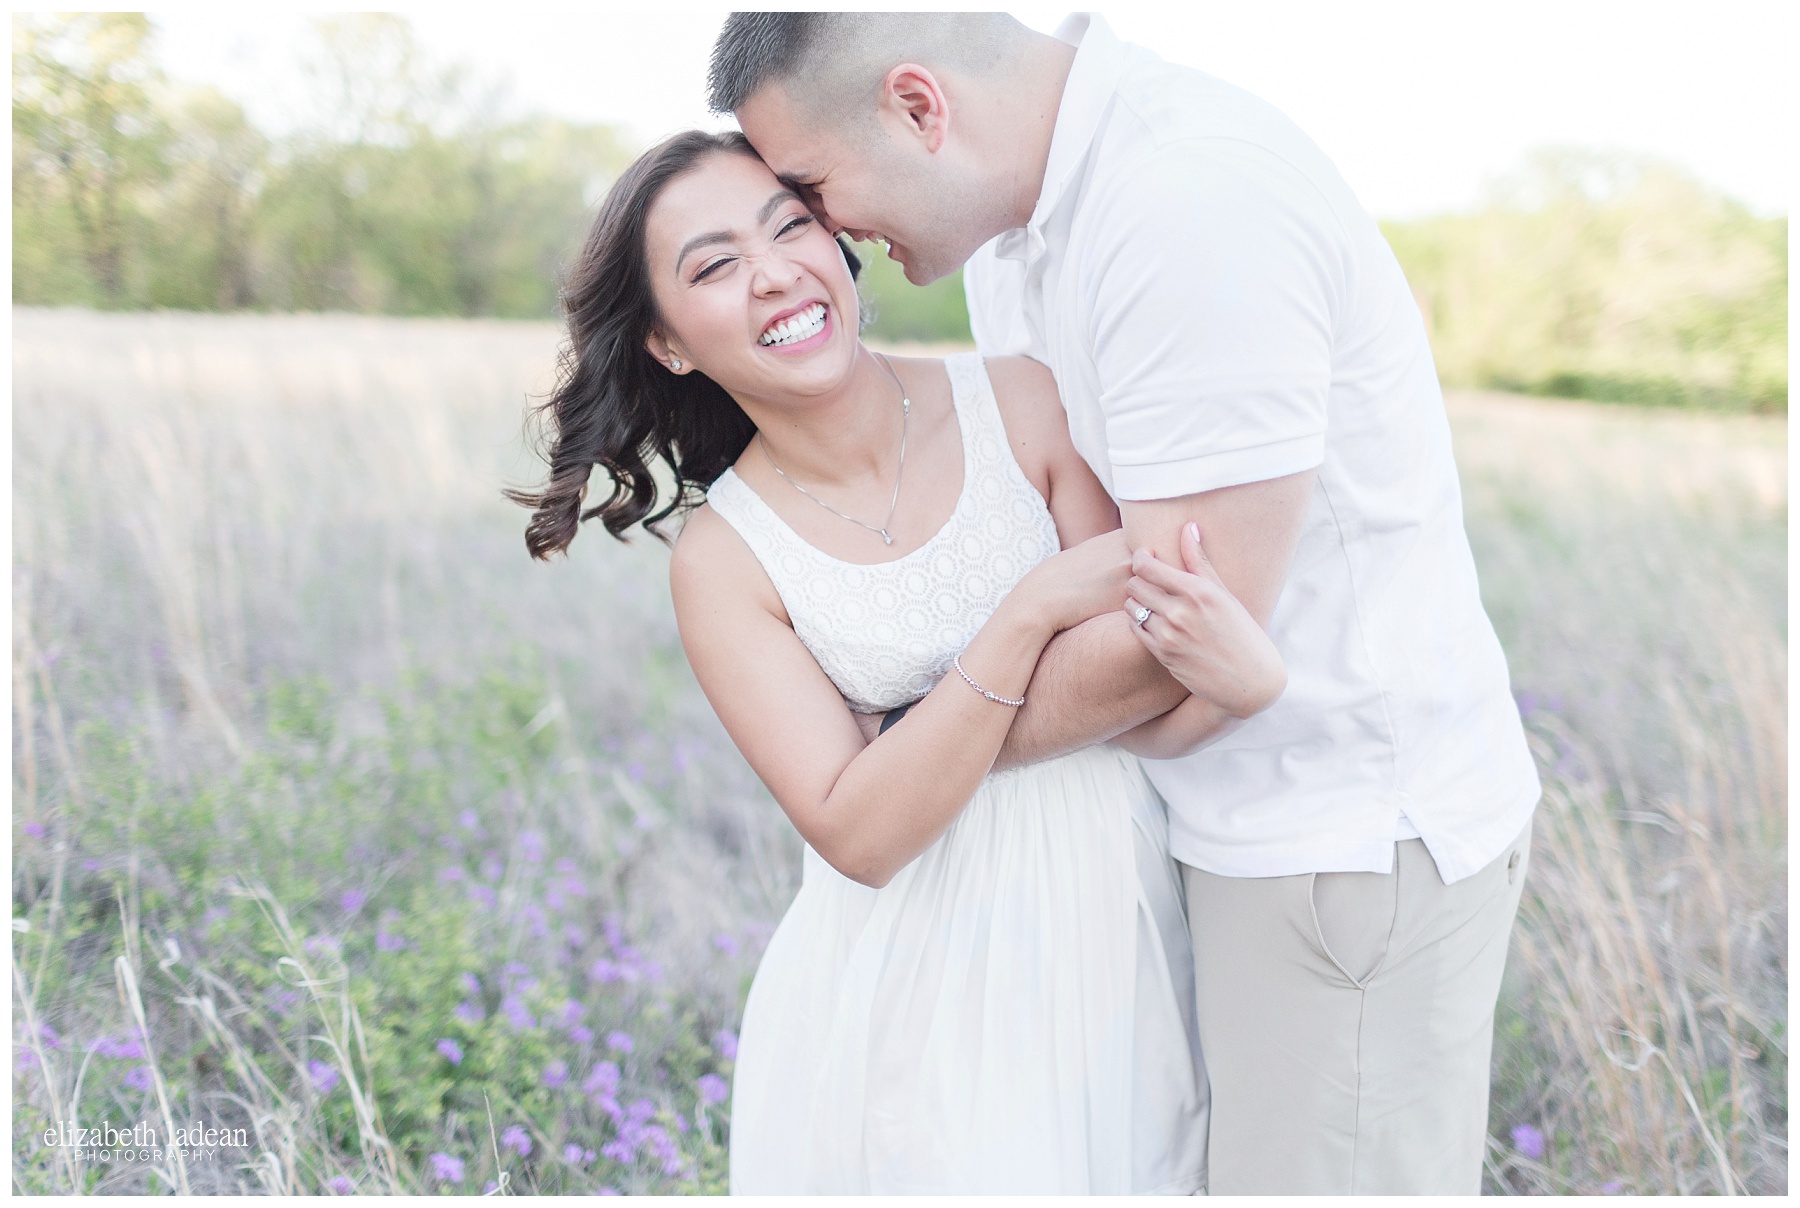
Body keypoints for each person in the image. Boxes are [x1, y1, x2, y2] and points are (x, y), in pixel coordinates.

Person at [709, 11, 1542, 1196]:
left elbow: (1168, 640)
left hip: (1331, 837)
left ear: (919, 106)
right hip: (1175, 835)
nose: (826, 236)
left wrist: (898, 757)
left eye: (812, 188)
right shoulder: (1012, 233)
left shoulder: (1185, 205)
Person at [509, 130, 1288, 1193]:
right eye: (714, 264)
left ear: (837, 242)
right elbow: (860, 833)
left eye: (789, 226)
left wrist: (900, 737)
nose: (775, 270)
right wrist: (1025, 618)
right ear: (668, 343)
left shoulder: (1023, 400)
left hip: (1114, 940)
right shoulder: (725, 559)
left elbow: (1149, 668)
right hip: (905, 983)